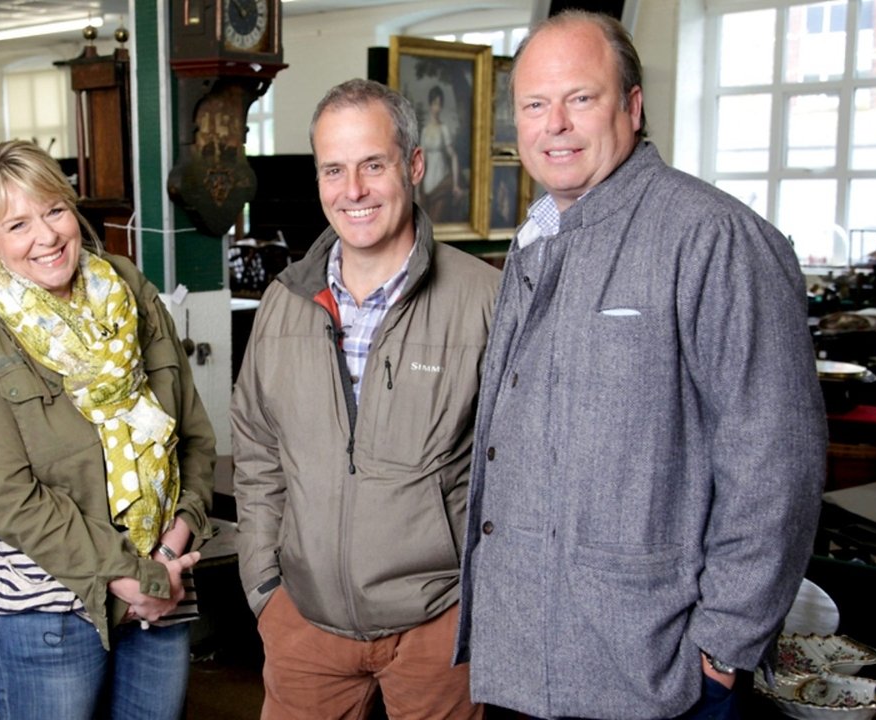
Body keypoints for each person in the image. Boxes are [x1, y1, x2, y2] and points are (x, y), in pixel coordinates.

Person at [453, 11, 827, 720]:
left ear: (632, 104)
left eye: (580, 98)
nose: (554, 124)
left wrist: (724, 646)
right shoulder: (536, 239)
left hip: (654, 678)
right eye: (535, 105)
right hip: (521, 667)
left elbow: (778, 459)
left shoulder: (714, 237)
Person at [232, 78, 500, 719]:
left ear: (413, 165)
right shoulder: (284, 302)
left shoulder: (486, 300)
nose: (352, 190)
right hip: (303, 622)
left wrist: (480, 603)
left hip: (438, 628)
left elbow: (518, 470)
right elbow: (258, 449)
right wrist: (265, 587)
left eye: (372, 165)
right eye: (334, 169)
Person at [0, 139, 216, 720]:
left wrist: (170, 548)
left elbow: (192, 434)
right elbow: (8, 498)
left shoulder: (131, 290)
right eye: (17, 224)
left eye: (55, 210)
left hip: (162, 597)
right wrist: (129, 575)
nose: (46, 235)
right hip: (47, 618)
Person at [417, 85, 466, 223]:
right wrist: (418, 188)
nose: (437, 108)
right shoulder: (425, 131)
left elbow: (454, 156)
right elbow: (422, 159)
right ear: (430, 105)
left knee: (438, 219)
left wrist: (455, 184)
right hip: (427, 183)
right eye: (434, 104)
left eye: (439, 104)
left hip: (442, 180)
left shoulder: (444, 129)